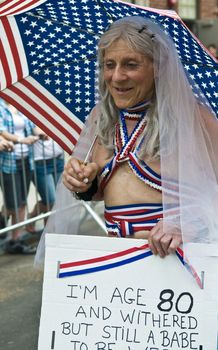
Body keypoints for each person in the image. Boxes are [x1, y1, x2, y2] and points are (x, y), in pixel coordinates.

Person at [35, 17, 218, 267]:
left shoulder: (196, 119)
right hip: (120, 272)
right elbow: (103, 193)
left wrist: (187, 223)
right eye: (109, 64)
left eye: (130, 64)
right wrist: (82, 183)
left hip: (182, 269)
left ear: (159, 67)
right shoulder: (100, 117)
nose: (117, 76)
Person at [0, 98, 45, 253]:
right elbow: (1, 130)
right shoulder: (1, 105)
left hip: (26, 160)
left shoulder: (19, 101)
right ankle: (12, 235)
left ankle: (14, 238)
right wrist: (21, 140)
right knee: (14, 204)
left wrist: (41, 133)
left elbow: (32, 126)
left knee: (21, 201)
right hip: (8, 161)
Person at [26, 136, 64, 233]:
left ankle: (32, 218)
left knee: (55, 200)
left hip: (58, 159)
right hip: (40, 163)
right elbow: (37, 130)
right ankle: (49, 232)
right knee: (51, 200)